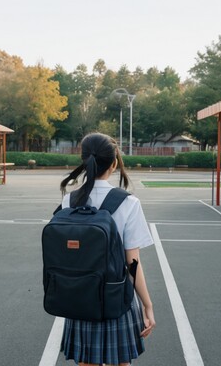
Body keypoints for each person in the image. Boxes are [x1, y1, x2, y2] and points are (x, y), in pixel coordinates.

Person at [59, 132, 156, 366]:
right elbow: (132, 263)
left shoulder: (69, 201)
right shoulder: (128, 203)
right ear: (114, 164)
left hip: (80, 297)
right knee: (120, 362)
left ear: (84, 161)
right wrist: (147, 305)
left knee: (86, 363)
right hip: (116, 298)